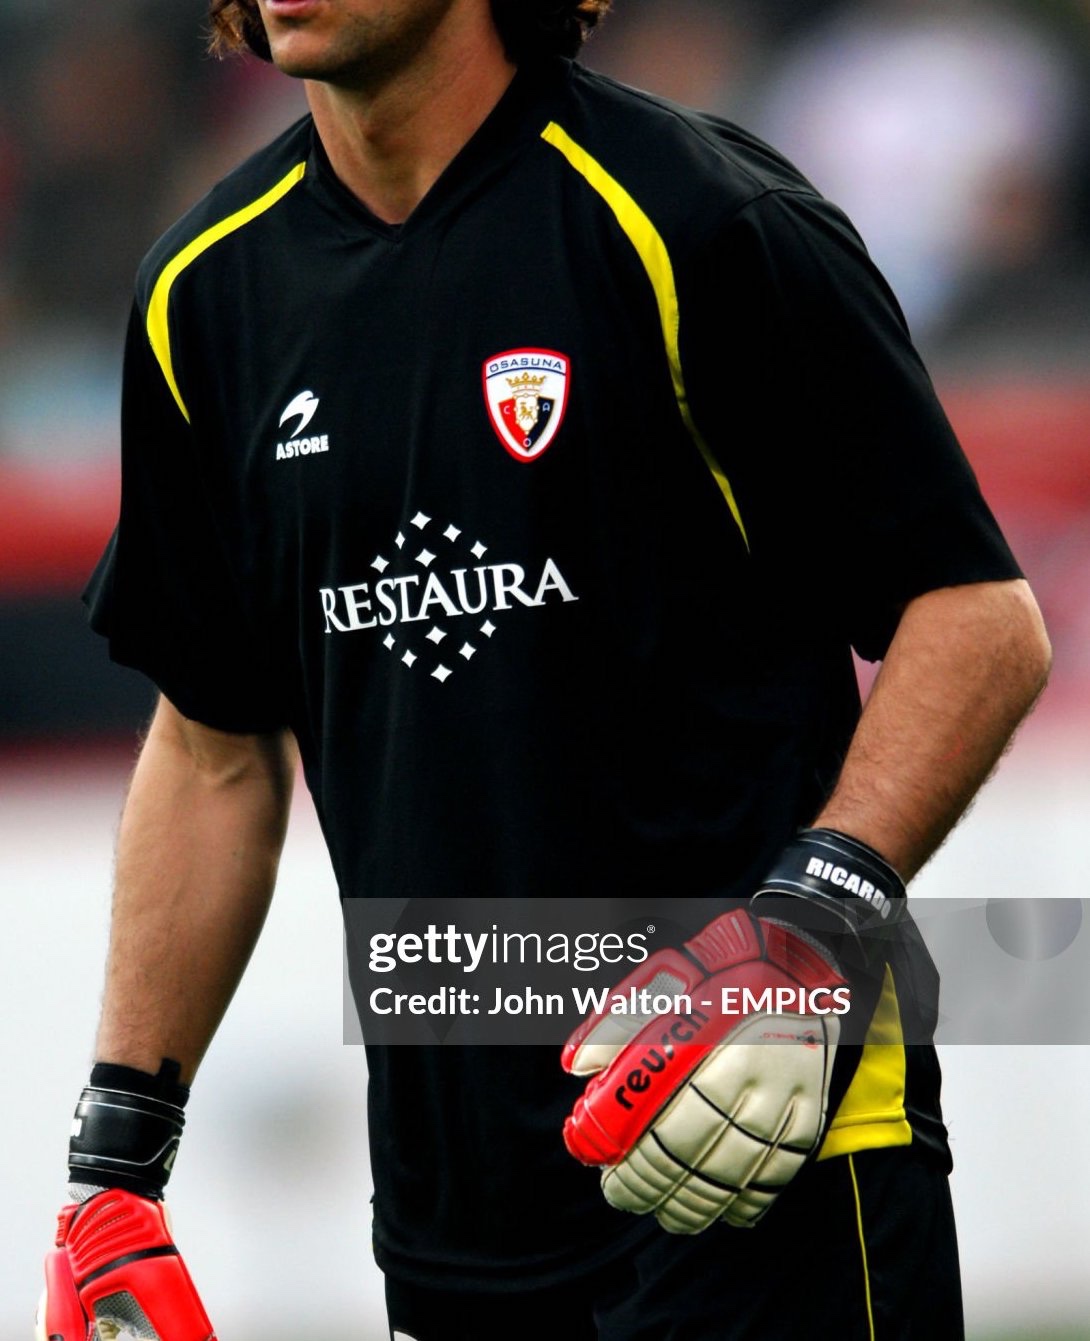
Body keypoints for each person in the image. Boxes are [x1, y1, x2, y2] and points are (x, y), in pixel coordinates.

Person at [39, 1, 1052, 1338]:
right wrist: (114, 1167)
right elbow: (212, 743)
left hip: (764, 1153)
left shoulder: (697, 218)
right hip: (455, 1216)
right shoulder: (204, 292)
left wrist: (809, 932)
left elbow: (976, 617)